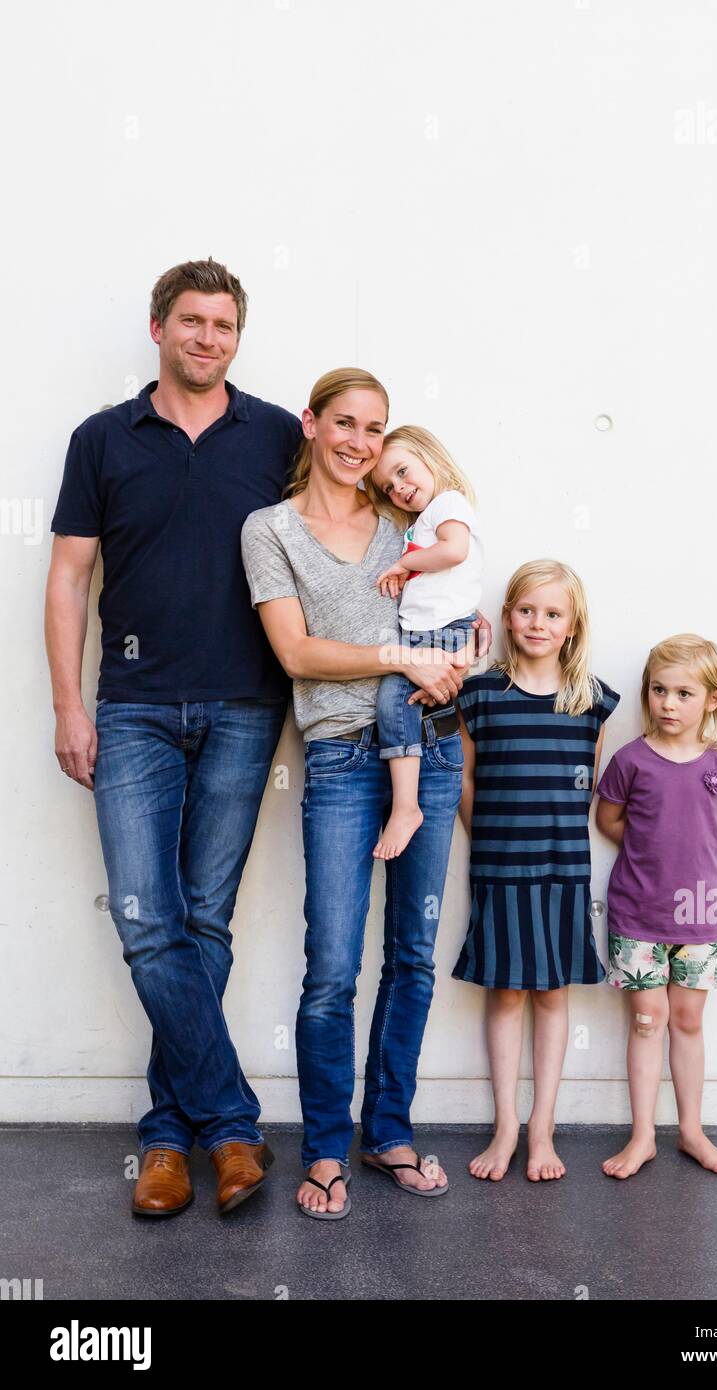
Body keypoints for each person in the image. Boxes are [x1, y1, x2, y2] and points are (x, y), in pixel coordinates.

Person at [45, 258, 302, 1217]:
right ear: (158, 327)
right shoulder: (102, 439)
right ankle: (231, 1126)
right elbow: (71, 577)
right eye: (190, 321)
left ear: (239, 337)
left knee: (202, 922)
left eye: (223, 325)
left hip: (245, 705)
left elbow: (345, 525)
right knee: (148, 920)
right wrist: (70, 706)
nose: (207, 338)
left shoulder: (278, 435)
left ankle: (164, 1139)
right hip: (133, 709)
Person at [240, 368, 493, 1220]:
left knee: (412, 959)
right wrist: (402, 660)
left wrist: (464, 647)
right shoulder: (271, 529)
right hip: (343, 761)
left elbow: (457, 606)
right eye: (344, 423)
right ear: (311, 425)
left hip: (431, 747)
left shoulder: (406, 523)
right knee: (334, 966)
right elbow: (299, 655)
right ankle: (322, 1150)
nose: (360, 443)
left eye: (375, 430)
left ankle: (387, 1132)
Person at [451, 560, 620, 1182]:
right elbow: (465, 777)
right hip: (498, 866)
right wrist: (488, 836)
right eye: (526, 610)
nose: (537, 623)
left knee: (551, 993)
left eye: (553, 614)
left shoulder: (591, 701)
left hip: (561, 869)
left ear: (572, 627)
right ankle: (505, 1127)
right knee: (506, 993)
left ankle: (543, 1131)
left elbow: (587, 787)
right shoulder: (479, 694)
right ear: (507, 616)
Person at [595, 634, 717, 1179]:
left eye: (683, 693)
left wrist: (691, 844)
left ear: (711, 699)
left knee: (687, 1020)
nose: (667, 703)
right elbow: (608, 822)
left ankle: (691, 1132)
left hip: (700, 918)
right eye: (659, 690)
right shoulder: (630, 760)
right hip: (637, 914)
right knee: (646, 1021)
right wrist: (656, 845)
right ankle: (642, 1137)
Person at [366, 426, 484, 859]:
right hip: (426, 633)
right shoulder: (419, 522)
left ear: (430, 457)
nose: (399, 488)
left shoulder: (447, 504)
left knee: (394, 704)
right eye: (389, 487)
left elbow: (455, 552)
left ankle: (406, 806)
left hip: (439, 632)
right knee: (410, 707)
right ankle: (408, 804)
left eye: (402, 471)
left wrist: (403, 562)